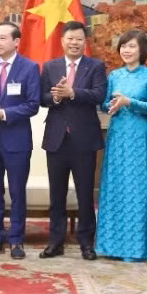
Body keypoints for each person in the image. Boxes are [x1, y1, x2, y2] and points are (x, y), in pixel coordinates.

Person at [39, 21, 106, 261]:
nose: (74, 43)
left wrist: (73, 93)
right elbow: (42, 97)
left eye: (79, 39)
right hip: (57, 139)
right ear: (62, 41)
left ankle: (87, 242)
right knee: (56, 194)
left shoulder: (95, 66)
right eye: (70, 39)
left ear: (84, 42)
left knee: (85, 193)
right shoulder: (50, 66)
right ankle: (55, 241)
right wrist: (56, 97)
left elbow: (99, 95)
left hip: (84, 139)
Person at [96, 30, 147, 262]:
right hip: (117, 135)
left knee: (137, 189)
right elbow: (104, 104)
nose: (127, 50)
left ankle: (136, 248)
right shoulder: (114, 75)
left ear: (142, 50)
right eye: (123, 46)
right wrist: (111, 105)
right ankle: (112, 245)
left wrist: (129, 102)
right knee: (116, 187)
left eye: (132, 46)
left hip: (139, 136)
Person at [0, 21, 40, 260]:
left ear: (16, 42)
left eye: (2, 38)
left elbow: (33, 104)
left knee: (16, 191)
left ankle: (16, 240)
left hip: (17, 140)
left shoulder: (30, 68)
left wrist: (5, 113)